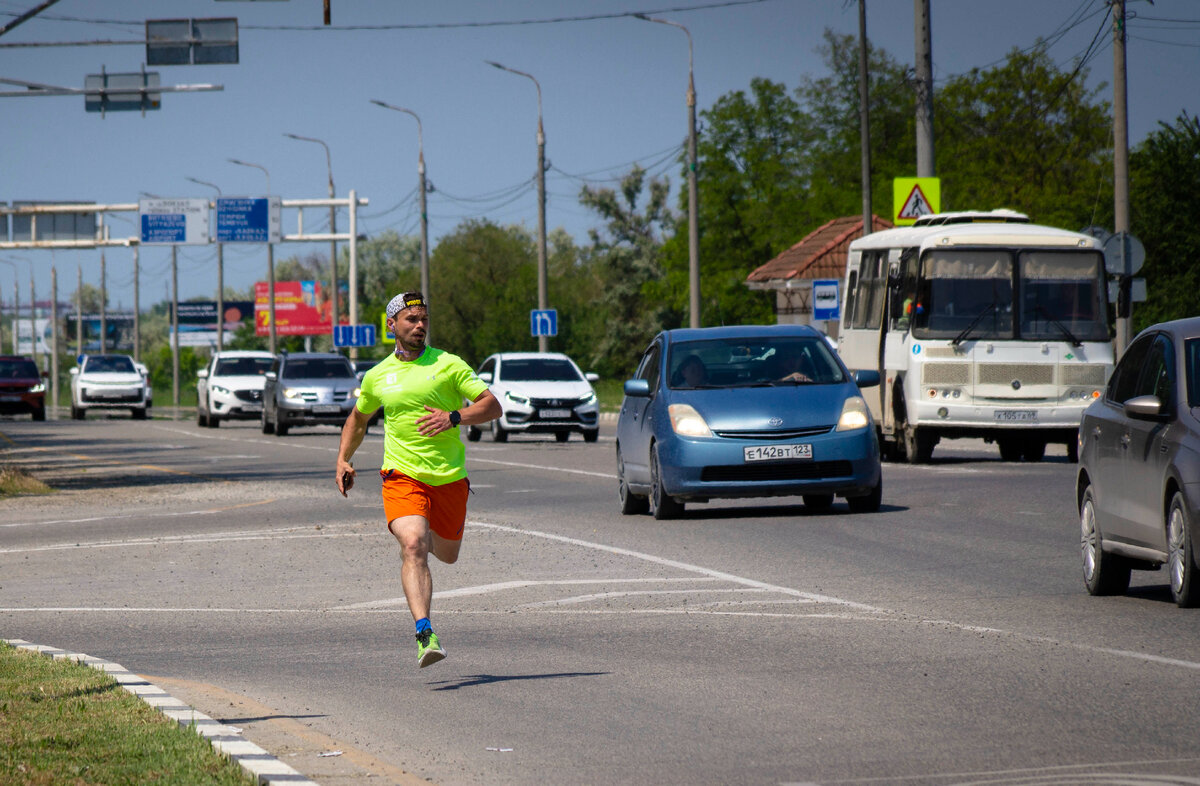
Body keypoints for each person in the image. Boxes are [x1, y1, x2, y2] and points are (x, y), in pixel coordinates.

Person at [336, 291, 502, 668]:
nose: (420, 325)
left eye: (424, 318)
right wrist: (343, 459)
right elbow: (358, 420)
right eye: (411, 320)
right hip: (402, 475)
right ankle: (425, 633)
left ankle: (424, 553)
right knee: (413, 544)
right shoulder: (377, 375)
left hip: (449, 479)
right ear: (392, 325)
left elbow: (492, 405)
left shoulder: (448, 364)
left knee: (446, 553)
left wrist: (455, 416)